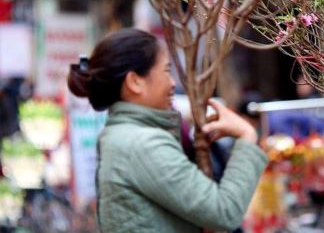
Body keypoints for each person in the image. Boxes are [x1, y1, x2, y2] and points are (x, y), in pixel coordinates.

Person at [67, 28, 268, 233]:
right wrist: (247, 135)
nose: (172, 83)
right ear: (135, 82)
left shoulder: (125, 136)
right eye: (166, 71)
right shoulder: (141, 144)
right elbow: (224, 212)